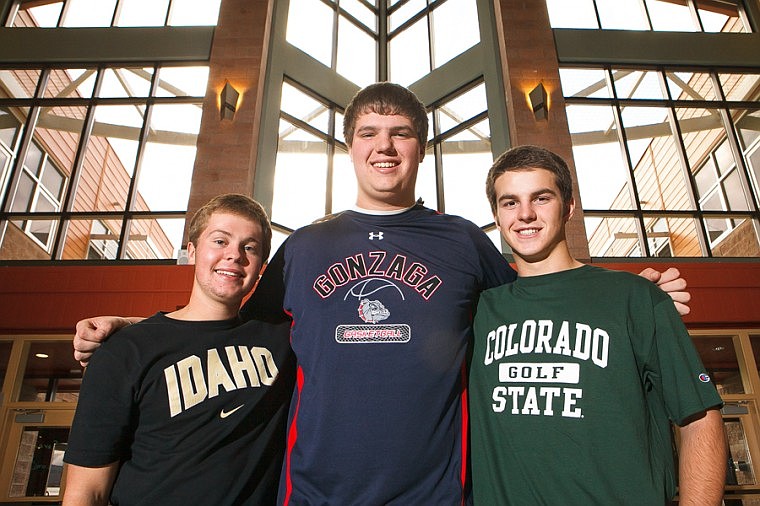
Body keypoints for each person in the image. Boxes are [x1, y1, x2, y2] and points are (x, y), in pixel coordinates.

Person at [73, 83, 691, 505]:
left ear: (420, 147)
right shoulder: (306, 247)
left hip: (435, 494)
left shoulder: (463, 242)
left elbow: (544, 291)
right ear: (350, 148)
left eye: (400, 133)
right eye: (369, 133)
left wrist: (636, 292)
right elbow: (223, 318)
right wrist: (132, 327)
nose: (385, 146)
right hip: (316, 493)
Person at [469, 145, 726, 505]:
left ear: (569, 206)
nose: (525, 214)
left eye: (541, 198)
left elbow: (700, 420)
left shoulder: (634, 297)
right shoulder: (479, 312)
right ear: (497, 216)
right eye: (510, 202)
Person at [62, 194, 295, 506]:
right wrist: (129, 326)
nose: (234, 255)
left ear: (260, 266)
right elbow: (87, 490)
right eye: (220, 241)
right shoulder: (125, 350)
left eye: (249, 247)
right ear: (192, 251)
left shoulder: (281, 340)